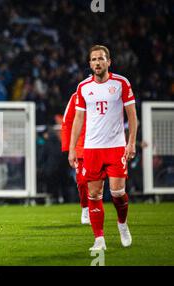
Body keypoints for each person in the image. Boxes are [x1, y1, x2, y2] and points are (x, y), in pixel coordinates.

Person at [68, 45, 137, 251]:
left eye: (101, 59)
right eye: (94, 59)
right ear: (90, 64)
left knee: (118, 193)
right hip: (92, 149)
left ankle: (122, 225)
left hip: (116, 147)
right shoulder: (83, 87)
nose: (97, 63)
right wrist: (73, 148)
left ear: (109, 61)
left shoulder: (121, 83)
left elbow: (132, 116)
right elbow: (78, 119)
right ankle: (99, 239)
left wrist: (131, 142)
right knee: (94, 195)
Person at [61, 92, 90, 224]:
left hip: (103, 144)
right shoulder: (76, 96)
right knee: (82, 181)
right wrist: (69, 149)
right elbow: (66, 121)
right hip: (81, 147)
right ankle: (85, 208)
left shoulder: (108, 93)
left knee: (110, 185)